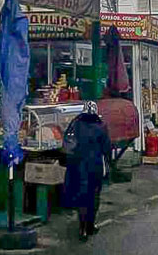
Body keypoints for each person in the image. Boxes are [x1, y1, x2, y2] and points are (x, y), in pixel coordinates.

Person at [64, 100, 112, 242]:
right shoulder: (101, 126)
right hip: (95, 165)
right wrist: (108, 165)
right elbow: (107, 148)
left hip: (79, 165)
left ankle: (82, 228)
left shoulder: (76, 124)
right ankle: (91, 225)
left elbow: (68, 143)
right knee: (94, 195)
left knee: (82, 195)